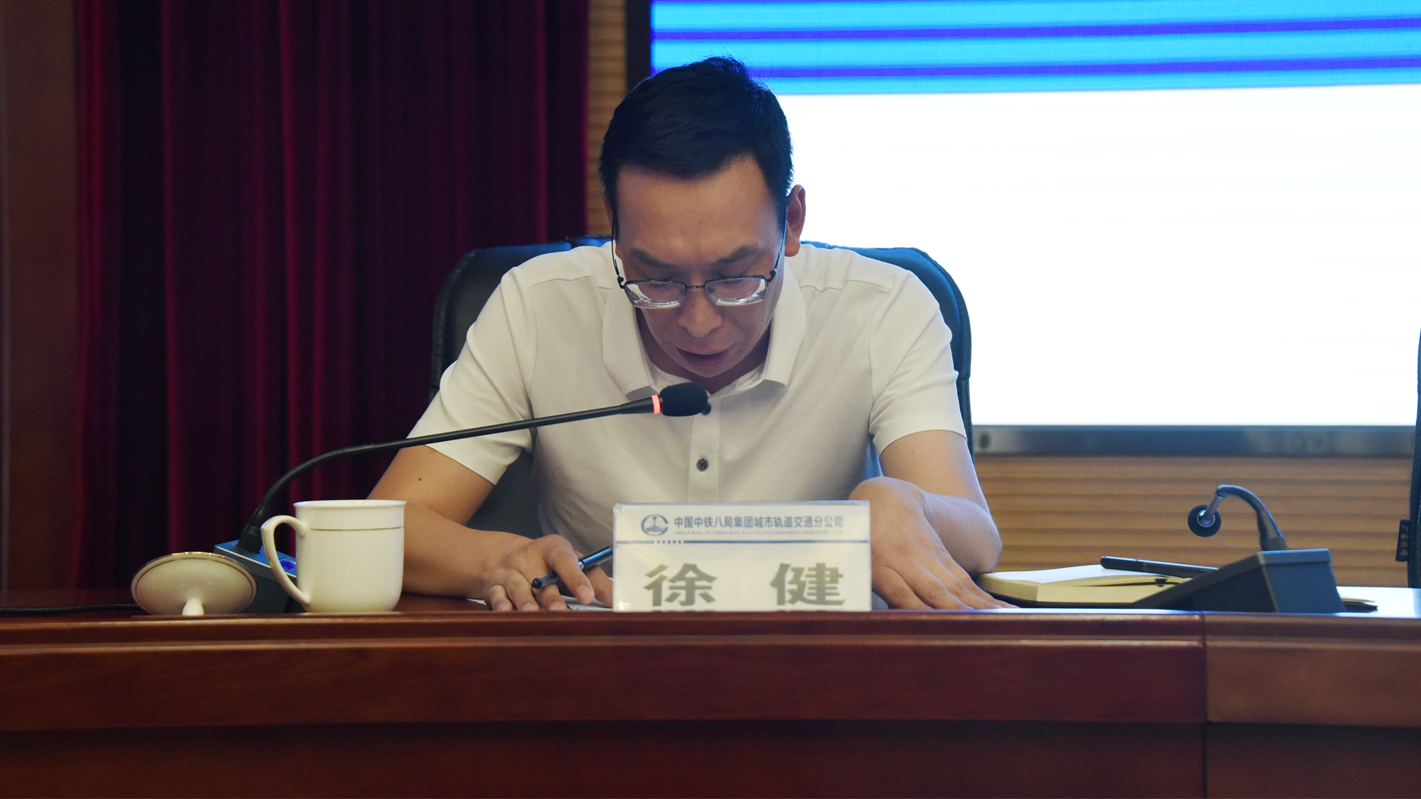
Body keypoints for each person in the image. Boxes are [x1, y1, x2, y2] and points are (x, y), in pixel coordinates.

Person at [370, 57, 1004, 610]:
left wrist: (907, 505)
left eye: (735, 277)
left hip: (822, 676)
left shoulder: (883, 308)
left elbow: (978, 536)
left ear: (791, 222)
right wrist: (495, 561)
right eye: (657, 279)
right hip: (602, 674)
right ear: (615, 229)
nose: (699, 323)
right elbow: (388, 529)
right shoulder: (538, 307)